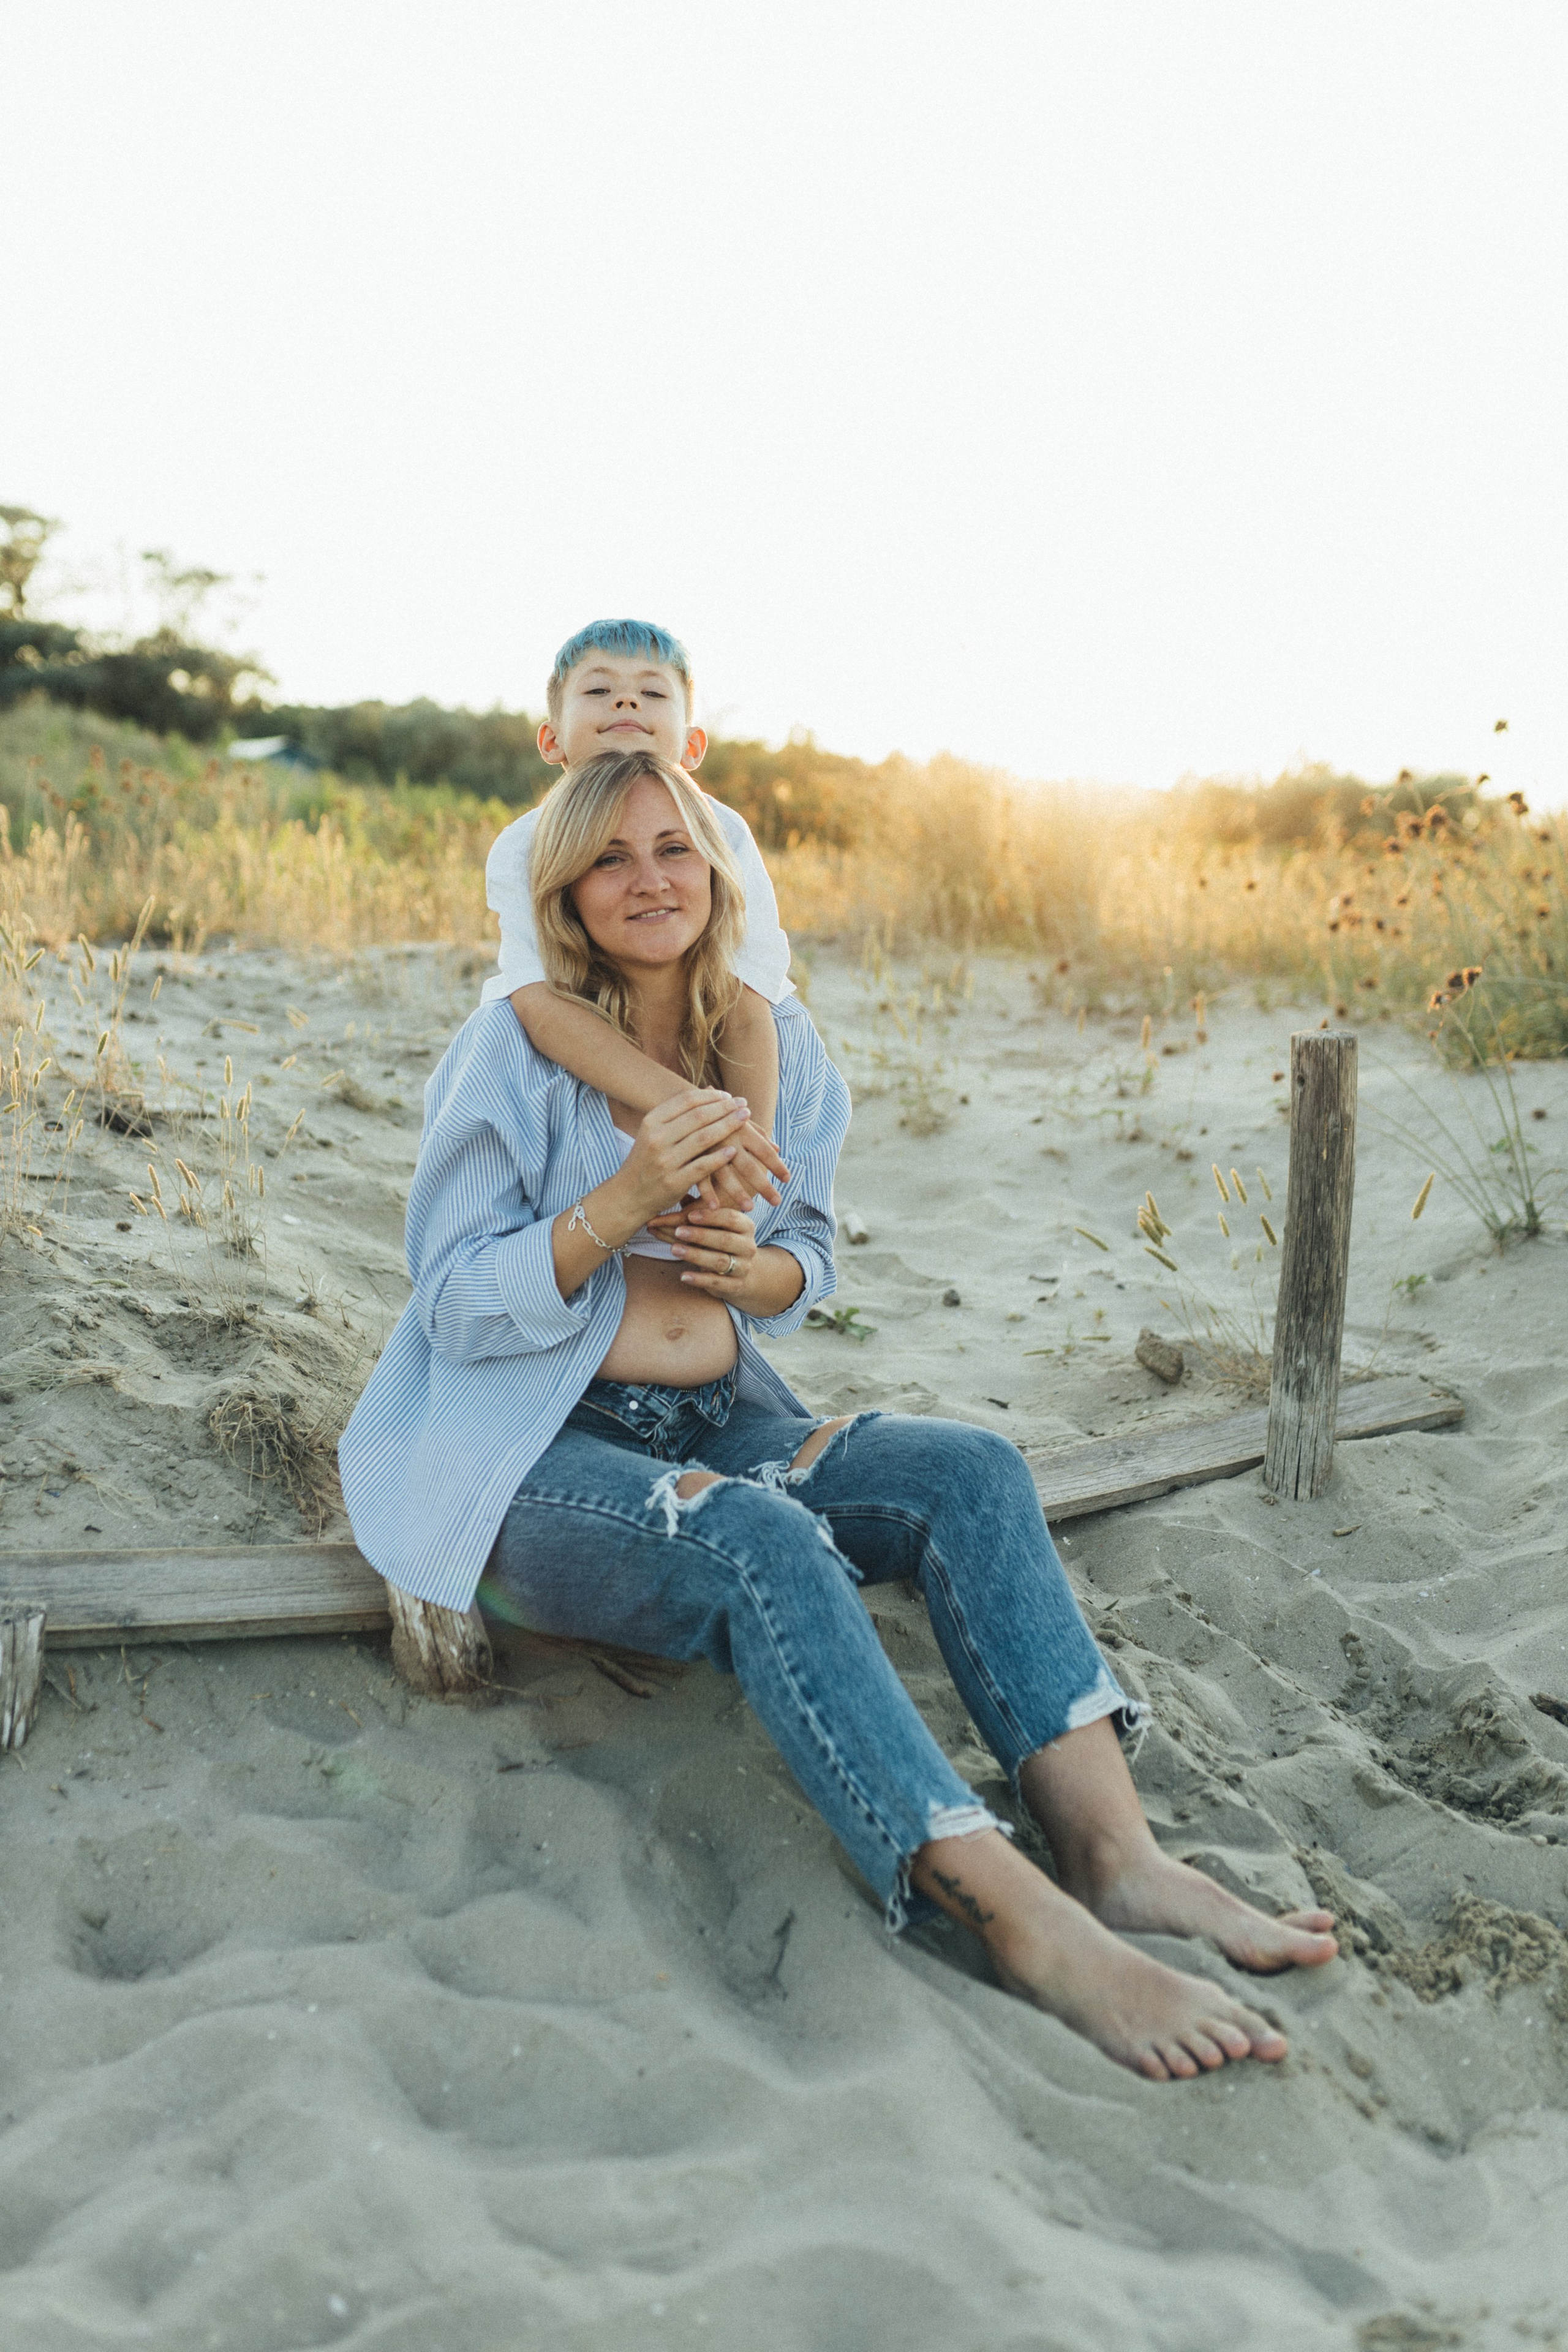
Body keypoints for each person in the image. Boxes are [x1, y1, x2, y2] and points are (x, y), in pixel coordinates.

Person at [339, 749, 1338, 2082]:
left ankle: (1116, 1857)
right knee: (758, 1539)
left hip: (714, 1420)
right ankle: (1015, 1914)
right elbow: (455, 1305)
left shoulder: (770, 1044)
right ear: (566, 897)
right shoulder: (509, 1055)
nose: (650, 880)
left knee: (970, 1472)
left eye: (674, 850)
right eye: (610, 861)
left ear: (716, 870)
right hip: (534, 1454)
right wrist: (618, 1206)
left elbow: (806, 1256)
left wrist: (747, 1265)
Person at [483, 617, 790, 1218]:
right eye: (598, 690)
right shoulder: (523, 845)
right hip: (579, 1056)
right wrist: (697, 1117)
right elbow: (539, 1004)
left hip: (694, 1036)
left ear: (693, 746)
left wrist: (742, 1157)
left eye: (653, 693)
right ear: (551, 741)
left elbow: (747, 998)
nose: (626, 700)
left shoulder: (724, 834)